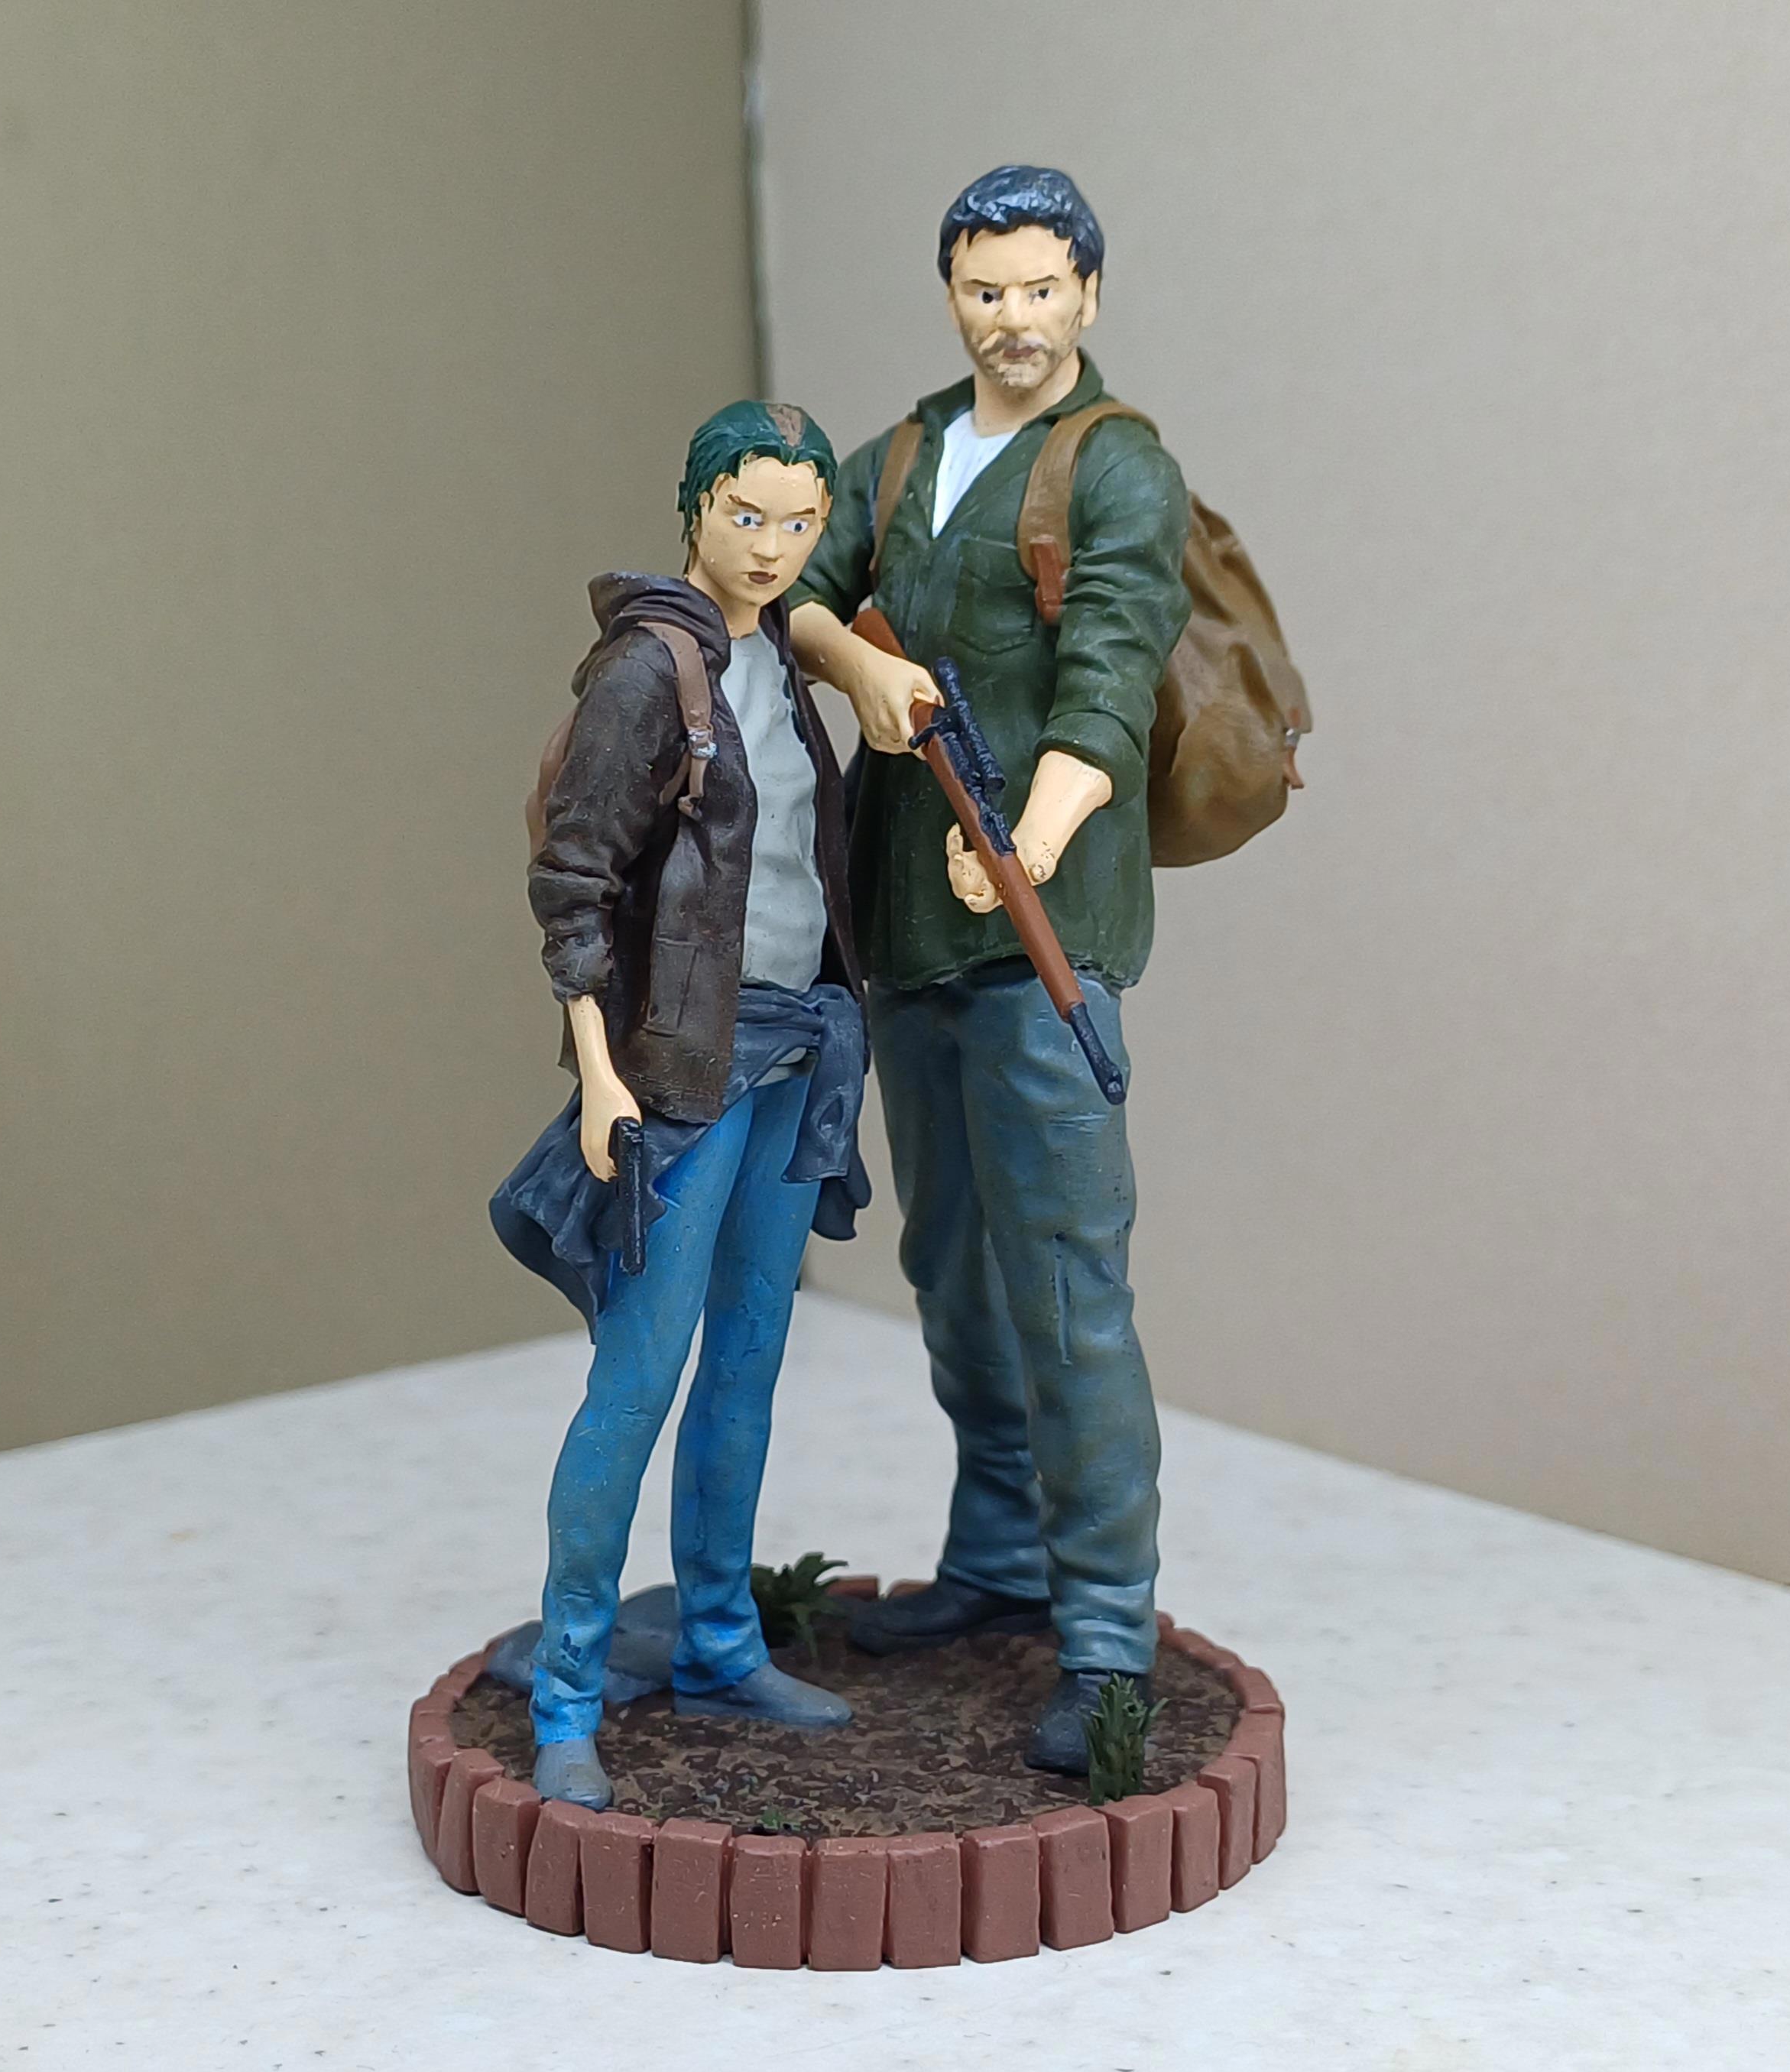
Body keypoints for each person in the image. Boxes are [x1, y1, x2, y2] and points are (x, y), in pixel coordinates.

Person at [786, 166, 1193, 1775]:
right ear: (951, 295)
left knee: (1069, 1291)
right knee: (951, 1266)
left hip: (1038, 938)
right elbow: (796, 596)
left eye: (1038, 289)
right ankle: (1001, 1553)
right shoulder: (900, 454)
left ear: (1087, 291)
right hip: (907, 931)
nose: (1011, 319)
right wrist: (859, 665)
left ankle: (1105, 1638)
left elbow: (1111, 675)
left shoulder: (1116, 465)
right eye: (984, 290)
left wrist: (1029, 840)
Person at [491, 400, 867, 1808]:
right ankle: (568, 1693)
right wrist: (598, 1074)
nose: (770, 546)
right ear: (695, 510)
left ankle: (717, 1639)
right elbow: (574, 886)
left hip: (800, 1052)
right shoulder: (650, 671)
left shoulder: (781, 657)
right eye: (745, 515)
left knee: (749, 1364)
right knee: (638, 1380)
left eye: (798, 522)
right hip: (684, 1075)